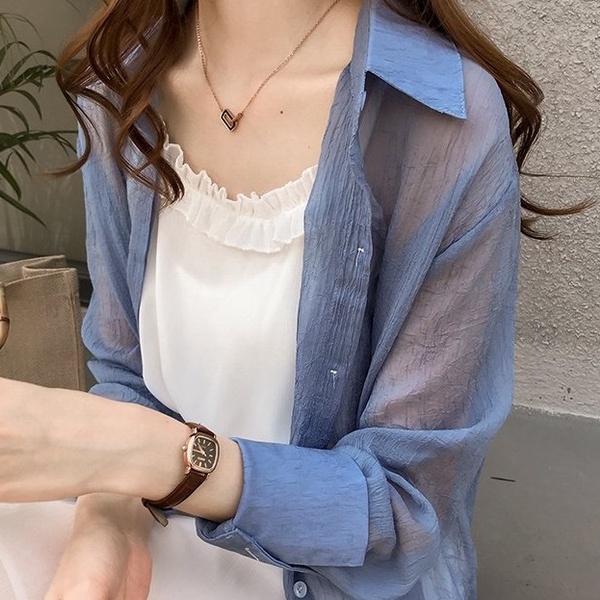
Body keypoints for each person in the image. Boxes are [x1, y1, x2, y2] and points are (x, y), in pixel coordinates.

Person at [0, 0, 579, 599]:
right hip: (152, 531)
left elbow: (404, 508)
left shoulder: (440, 117)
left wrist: (151, 457)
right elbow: (126, 375)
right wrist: (106, 526)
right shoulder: (118, 83)